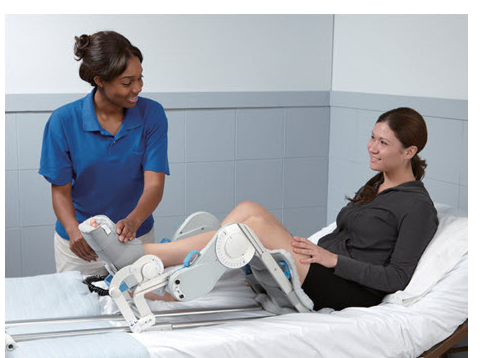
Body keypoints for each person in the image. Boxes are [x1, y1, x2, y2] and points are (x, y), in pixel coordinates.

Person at [87, 107, 439, 311]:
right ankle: (159, 262)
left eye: (383, 142)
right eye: (372, 137)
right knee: (248, 208)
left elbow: (397, 277)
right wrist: (317, 253)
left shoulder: (418, 207)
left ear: (409, 152)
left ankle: (146, 260)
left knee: (250, 228)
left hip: (348, 288)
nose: (371, 147)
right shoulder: (377, 184)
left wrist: (331, 260)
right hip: (321, 267)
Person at [39, 31, 170, 276]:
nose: (138, 88)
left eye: (140, 78)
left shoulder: (152, 114)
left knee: (137, 298)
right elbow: (60, 191)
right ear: (100, 80)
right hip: (81, 245)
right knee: (80, 300)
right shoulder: (63, 120)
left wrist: (133, 221)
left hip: (134, 237)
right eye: (127, 82)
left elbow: (154, 184)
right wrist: (74, 231)